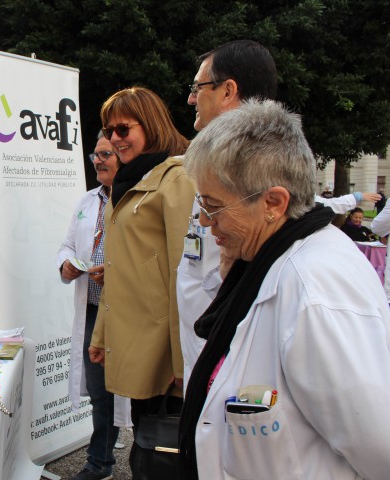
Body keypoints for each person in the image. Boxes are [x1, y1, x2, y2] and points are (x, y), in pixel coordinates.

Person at [178, 99, 390, 479]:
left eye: (213, 206)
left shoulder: (317, 290)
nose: (206, 222)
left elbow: (380, 448)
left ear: (273, 203)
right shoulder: (266, 261)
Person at [176, 39, 382, 387]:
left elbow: (363, 414)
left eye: (198, 87)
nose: (191, 99)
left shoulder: (314, 289)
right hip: (213, 358)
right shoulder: (222, 170)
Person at [87, 86, 194, 474]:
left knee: (163, 450)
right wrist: (101, 334)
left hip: (161, 345)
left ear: (150, 124)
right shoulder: (130, 179)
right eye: (108, 130)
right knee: (147, 440)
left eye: (123, 128)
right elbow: (118, 268)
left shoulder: (177, 179)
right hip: (133, 337)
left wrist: (183, 361)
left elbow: (186, 274)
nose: (114, 138)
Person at [56, 132, 129, 480]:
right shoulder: (87, 201)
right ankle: (99, 463)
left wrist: (116, 273)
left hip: (127, 313)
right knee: (100, 391)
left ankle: (140, 459)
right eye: (95, 155)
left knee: (131, 390)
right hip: (93, 310)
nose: (98, 161)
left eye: (106, 155)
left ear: (123, 157)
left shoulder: (136, 198)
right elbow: (68, 244)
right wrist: (66, 264)